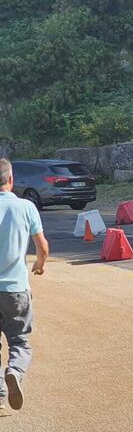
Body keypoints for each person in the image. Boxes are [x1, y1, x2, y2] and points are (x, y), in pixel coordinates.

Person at [0, 158, 48, 411]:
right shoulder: (26, 207)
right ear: (11, 180)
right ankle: (15, 372)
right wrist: (39, 265)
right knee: (19, 340)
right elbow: (42, 246)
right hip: (15, 290)